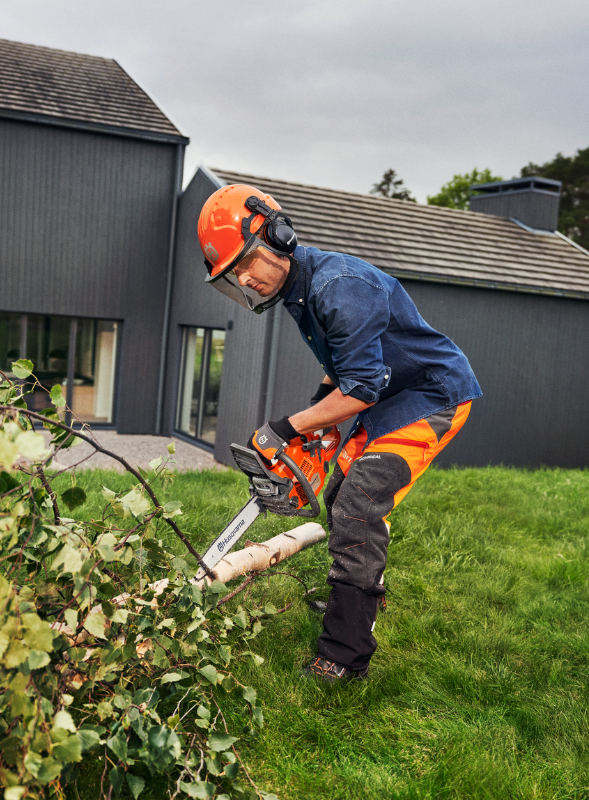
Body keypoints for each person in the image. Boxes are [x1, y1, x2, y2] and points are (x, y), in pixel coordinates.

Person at [197, 184, 482, 682]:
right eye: (232, 275)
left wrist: (287, 427)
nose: (243, 278)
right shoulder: (299, 290)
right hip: (391, 392)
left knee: (359, 503)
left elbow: (363, 389)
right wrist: (317, 419)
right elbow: (345, 364)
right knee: (341, 492)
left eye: (243, 263)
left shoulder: (338, 287)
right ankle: (363, 595)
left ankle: (345, 655)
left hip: (432, 397)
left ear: (276, 235)